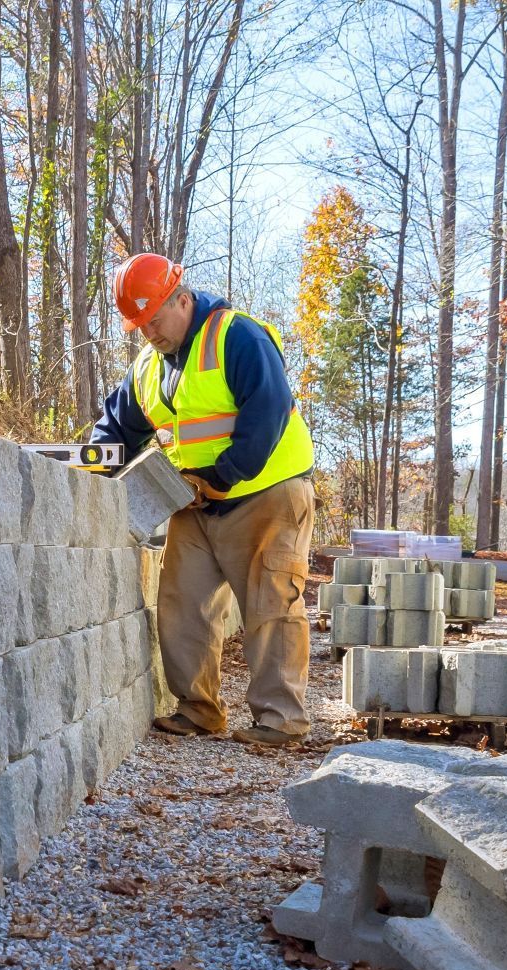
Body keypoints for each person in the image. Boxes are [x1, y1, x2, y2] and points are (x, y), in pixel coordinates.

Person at [91, 253, 317, 746]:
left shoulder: (237, 336)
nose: (149, 332)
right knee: (181, 603)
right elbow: (117, 429)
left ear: (183, 299)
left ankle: (281, 721)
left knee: (270, 605)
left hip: (266, 493)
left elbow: (268, 412)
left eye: (155, 319)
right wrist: (84, 470)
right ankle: (198, 710)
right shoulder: (148, 368)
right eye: (140, 325)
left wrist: (223, 475)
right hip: (195, 500)